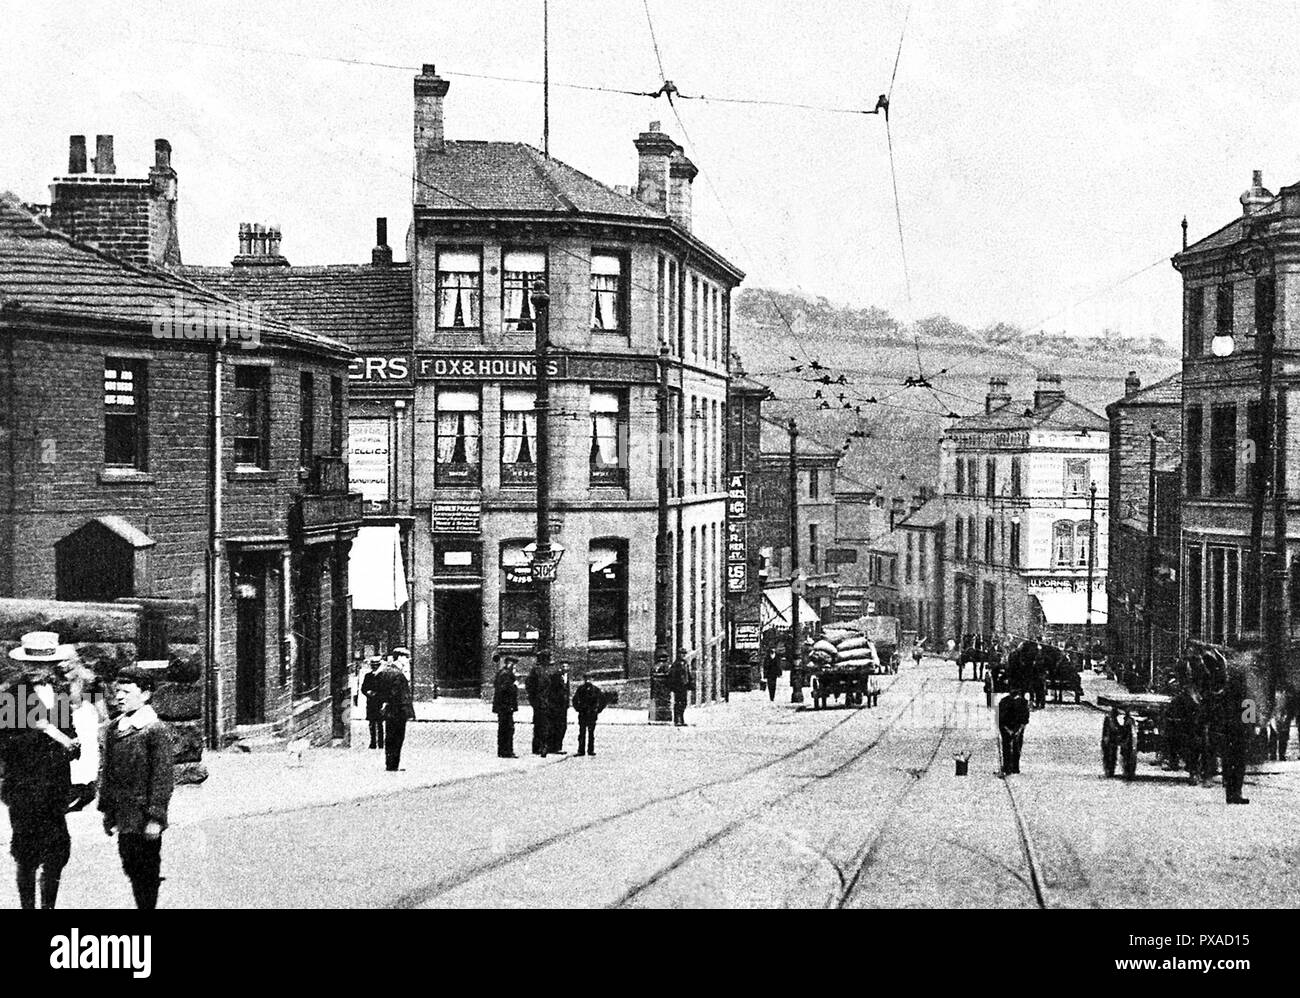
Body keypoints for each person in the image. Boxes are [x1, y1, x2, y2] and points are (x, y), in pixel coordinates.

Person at [1, 631, 80, 909]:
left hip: (55, 788)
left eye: (43, 665)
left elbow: (69, 732)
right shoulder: (12, 696)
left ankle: (48, 907)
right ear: (23, 665)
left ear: (52, 665)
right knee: (27, 854)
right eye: (31, 665)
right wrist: (44, 732)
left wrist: (73, 744)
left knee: (57, 853)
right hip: (24, 788)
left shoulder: (59, 692)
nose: (37, 670)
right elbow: (5, 744)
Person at [100, 665, 174, 910]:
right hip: (123, 814)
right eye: (117, 691)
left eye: (127, 692)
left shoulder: (154, 730)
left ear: (145, 694)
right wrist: (108, 812)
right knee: (129, 863)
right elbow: (108, 774)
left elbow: (162, 777)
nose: (119, 697)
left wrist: (156, 817)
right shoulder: (114, 729)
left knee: (146, 868)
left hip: (144, 815)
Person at [377, 653, 415, 772]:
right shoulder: (399, 675)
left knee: (389, 737)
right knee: (398, 738)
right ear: (399, 658)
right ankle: (394, 765)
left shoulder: (385, 672)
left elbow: (380, 690)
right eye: (405, 657)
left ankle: (389, 764)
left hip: (389, 711)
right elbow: (398, 695)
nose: (407, 660)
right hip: (398, 712)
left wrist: (384, 703)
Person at [1218, 670, 1250, 805]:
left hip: (1227, 731)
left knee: (1228, 761)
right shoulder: (1246, 694)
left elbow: (1219, 713)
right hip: (1240, 732)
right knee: (1239, 763)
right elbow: (1249, 715)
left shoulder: (1224, 693)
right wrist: (1250, 731)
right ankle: (1236, 792)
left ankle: (1229, 792)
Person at [573, 672, 606, 756]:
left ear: (592, 680)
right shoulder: (580, 689)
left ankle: (590, 750)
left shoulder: (596, 690)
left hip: (592, 714)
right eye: (586, 679)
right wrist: (578, 709)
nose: (588, 681)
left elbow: (603, 701)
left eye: (589, 679)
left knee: (591, 733)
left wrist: (598, 710)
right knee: (582, 733)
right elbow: (575, 700)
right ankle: (581, 750)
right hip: (583, 713)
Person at [998, 690, 1030, 775]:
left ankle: (1009, 766)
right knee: (1016, 746)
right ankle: (1013, 767)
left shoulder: (1004, 702)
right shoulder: (1023, 703)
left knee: (1008, 746)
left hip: (1010, 727)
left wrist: (1013, 731)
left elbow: (1000, 719)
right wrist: (1016, 731)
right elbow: (1025, 720)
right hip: (1011, 727)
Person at [492, 658, 518, 758]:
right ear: (509, 664)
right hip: (505, 707)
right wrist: (514, 686)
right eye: (514, 665)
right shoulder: (506, 675)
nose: (515, 668)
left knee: (505, 728)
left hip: (503, 707)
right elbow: (505, 690)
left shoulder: (502, 673)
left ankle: (503, 750)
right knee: (507, 728)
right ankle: (506, 751)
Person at [525, 661, 550, 757]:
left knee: (539, 725)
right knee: (542, 726)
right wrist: (534, 701)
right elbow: (530, 686)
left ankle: (538, 747)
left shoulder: (542, 671)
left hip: (542, 703)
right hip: (540, 703)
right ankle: (542, 747)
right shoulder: (537, 671)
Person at [360, 658, 384, 750]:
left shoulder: (382, 676)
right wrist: (367, 693)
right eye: (372, 665)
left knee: (380, 723)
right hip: (370, 703)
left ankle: (381, 743)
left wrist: (377, 694)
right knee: (371, 723)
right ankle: (373, 742)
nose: (374, 667)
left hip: (379, 703)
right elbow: (363, 688)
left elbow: (385, 689)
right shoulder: (368, 676)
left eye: (376, 665)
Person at [548, 663, 570, 754]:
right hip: (557, 706)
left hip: (564, 706)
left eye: (567, 666)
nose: (565, 668)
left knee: (563, 726)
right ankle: (555, 747)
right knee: (557, 726)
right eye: (563, 666)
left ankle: (558, 746)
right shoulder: (556, 676)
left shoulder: (567, 677)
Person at [667, 653, 692, 727]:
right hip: (678, 686)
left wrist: (689, 682)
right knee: (678, 703)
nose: (683, 655)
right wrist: (674, 685)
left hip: (684, 686)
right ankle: (677, 720)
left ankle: (681, 719)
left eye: (684, 654)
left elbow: (688, 674)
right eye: (681, 654)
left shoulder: (685, 663)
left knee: (684, 703)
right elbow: (673, 675)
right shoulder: (676, 664)